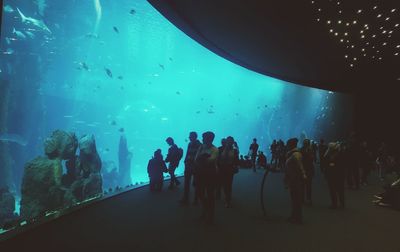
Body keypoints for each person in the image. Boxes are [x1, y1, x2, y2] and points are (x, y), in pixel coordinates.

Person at [195, 131, 219, 225]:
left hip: (211, 175)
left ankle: (210, 216)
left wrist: (202, 159)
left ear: (209, 138)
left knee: (210, 195)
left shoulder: (215, 149)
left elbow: (211, 160)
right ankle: (206, 209)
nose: (202, 139)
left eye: (203, 137)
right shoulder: (201, 147)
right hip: (200, 173)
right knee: (199, 192)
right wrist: (203, 158)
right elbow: (196, 159)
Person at [284, 138, 307, 224]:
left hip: (296, 179)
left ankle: (298, 218)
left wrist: (303, 175)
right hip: (292, 179)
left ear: (291, 145)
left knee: (297, 199)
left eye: (288, 144)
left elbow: (300, 166)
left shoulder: (296, 154)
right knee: (294, 199)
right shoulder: (291, 154)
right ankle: (294, 215)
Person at [180, 132, 201, 205]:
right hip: (188, 166)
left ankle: (196, 199)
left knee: (196, 183)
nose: (189, 138)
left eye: (190, 136)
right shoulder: (189, 144)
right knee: (186, 183)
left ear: (194, 137)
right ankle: (186, 198)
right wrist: (185, 162)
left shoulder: (199, 145)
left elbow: (199, 156)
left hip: (195, 167)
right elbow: (187, 153)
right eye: (189, 136)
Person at [218, 136, 239, 208]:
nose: (230, 143)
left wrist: (236, 166)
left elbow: (236, 160)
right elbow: (218, 159)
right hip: (222, 169)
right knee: (224, 184)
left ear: (232, 142)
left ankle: (228, 199)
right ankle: (227, 197)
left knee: (229, 184)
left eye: (231, 141)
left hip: (230, 169)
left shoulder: (235, 151)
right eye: (228, 141)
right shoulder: (220, 149)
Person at [324, 142, 345, 209]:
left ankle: (336, 204)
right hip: (337, 175)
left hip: (335, 175)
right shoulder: (339, 154)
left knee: (334, 190)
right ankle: (340, 204)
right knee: (339, 190)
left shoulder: (335, 155)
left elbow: (328, 164)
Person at [301, 139, 315, 205]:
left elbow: (312, 158)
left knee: (308, 185)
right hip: (305, 169)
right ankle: (303, 199)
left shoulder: (310, 150)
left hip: (308, 169)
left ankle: (308, 199)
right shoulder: (302, 150)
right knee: (303, 185)